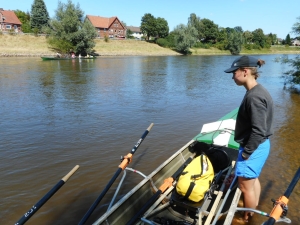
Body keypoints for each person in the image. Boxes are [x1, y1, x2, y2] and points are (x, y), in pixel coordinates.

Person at [224, 55, 274, 222]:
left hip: (254, 147)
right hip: (260, 145)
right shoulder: (259, 91)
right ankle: (253, 208)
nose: (232, 76)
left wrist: (245, 154)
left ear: (245, 71)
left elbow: (258, 131)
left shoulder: (254, 97)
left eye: (234, 72)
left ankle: (246, 218)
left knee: (245, 188)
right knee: (252, 182)